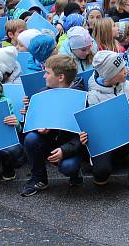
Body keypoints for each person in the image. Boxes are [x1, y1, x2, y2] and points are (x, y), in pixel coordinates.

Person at [81, 51, 129, 195]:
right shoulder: (93, 95)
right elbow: (92, 126)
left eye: (124, 67)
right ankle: (103, 161)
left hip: (123, 132)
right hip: (104, 140)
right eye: (121, 70)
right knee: (101, 176)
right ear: (109, 75)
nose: (126, 71)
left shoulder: (128, 86)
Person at [21, 55, 84, 197]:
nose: (44, 76)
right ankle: (39, 178)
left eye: (47, 73)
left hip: (70, 146)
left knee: (68, 167)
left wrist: (65, 150)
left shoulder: (81, 97)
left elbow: (83, 135)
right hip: (49, 141)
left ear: (60, 77)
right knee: (31, 138)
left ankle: (75, 172)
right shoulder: (42, 94)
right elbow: (31, 125)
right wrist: (31, 117)